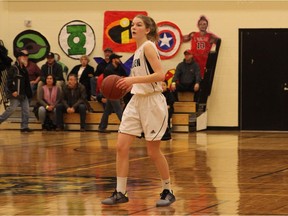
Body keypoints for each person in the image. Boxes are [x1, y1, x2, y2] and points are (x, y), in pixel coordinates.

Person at [101, 14, 176, 207]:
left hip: (152, 103)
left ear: (148, 29)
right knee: (121, 146)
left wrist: (132, 80)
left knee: (153, 152)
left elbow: (160, 75)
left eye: (138, 25)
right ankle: (120, 191)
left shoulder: (149, 47)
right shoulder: (137, 52)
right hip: (136, 101)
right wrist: (128, 86)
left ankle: (168, 190)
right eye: (132, 25)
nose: (134, 27)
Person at [0, 50, 33, 132]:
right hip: (15, 93)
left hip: (23, 94)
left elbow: (27, 83)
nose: (25, 57)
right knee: (11, 109)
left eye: (26, 56)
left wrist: (29, 94)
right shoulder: (13, 68)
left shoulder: (24, 69)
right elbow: (9, 81)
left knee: (26, 110)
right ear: (18, 57)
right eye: (23, 56)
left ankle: (24, 127)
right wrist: (13, 90)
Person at [98, 53, 127, 133]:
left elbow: (125, 76)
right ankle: (126, 127)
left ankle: (102, 127)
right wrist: (105, 96)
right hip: (112, 92)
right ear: (114, 60)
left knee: (107, 110)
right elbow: (105, 84)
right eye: (118, 58)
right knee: (119, 110)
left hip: (117, 91)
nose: (119, 60)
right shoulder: (108, 69)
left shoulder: (119, 67)